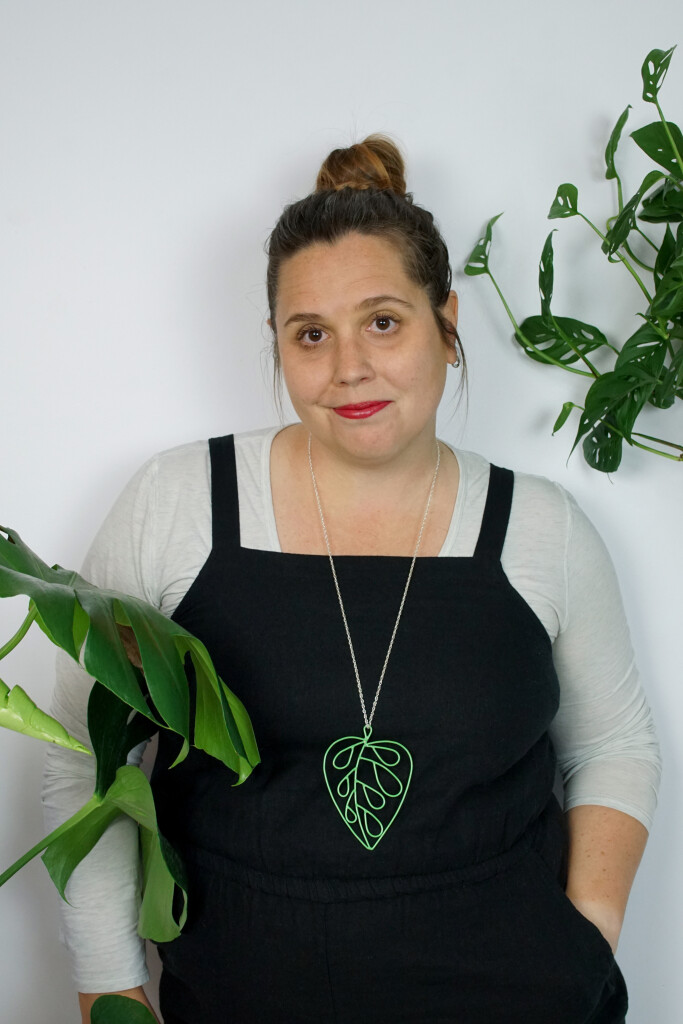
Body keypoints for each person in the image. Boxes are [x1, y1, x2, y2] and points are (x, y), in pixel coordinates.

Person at [42, 134, 661, 1024]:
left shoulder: (542, 528)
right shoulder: (178, 503)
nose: (348, 370)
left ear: (446, 323)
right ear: (277, 345)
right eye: (310, 335)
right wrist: (111, 987)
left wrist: (583, 935)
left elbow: (613, 747)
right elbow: (85, 759)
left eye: (383, 321)